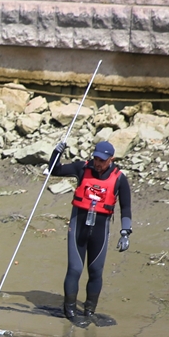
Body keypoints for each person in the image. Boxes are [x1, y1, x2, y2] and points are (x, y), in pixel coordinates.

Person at [48, 140, 132, 326]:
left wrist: (125, 232)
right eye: (95, 158)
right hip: (78, 227)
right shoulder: (82, 168)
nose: (97, 162)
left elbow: (126, 208)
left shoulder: (119, 179)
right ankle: (70, 311)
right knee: (75, 269)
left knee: (95, 272)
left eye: (102, 160)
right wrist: (56, 153)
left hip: (100, 232)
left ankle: (89, 311)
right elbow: (55, 170)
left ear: (111, 159)